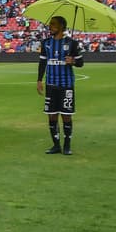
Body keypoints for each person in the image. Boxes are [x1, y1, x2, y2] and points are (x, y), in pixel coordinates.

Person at [37, 15, 83, 155]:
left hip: (66, 85)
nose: (50, 26)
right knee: (51, 115)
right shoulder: (45, 43)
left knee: (66, 115)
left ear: (62, 26)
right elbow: (43, 62)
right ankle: (56, 145)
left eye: (53, 24)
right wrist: (39, 80)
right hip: (51, 84)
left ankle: (67, 145)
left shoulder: (72, 43)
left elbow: (81, 63)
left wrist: (73, 61)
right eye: (50, 24)